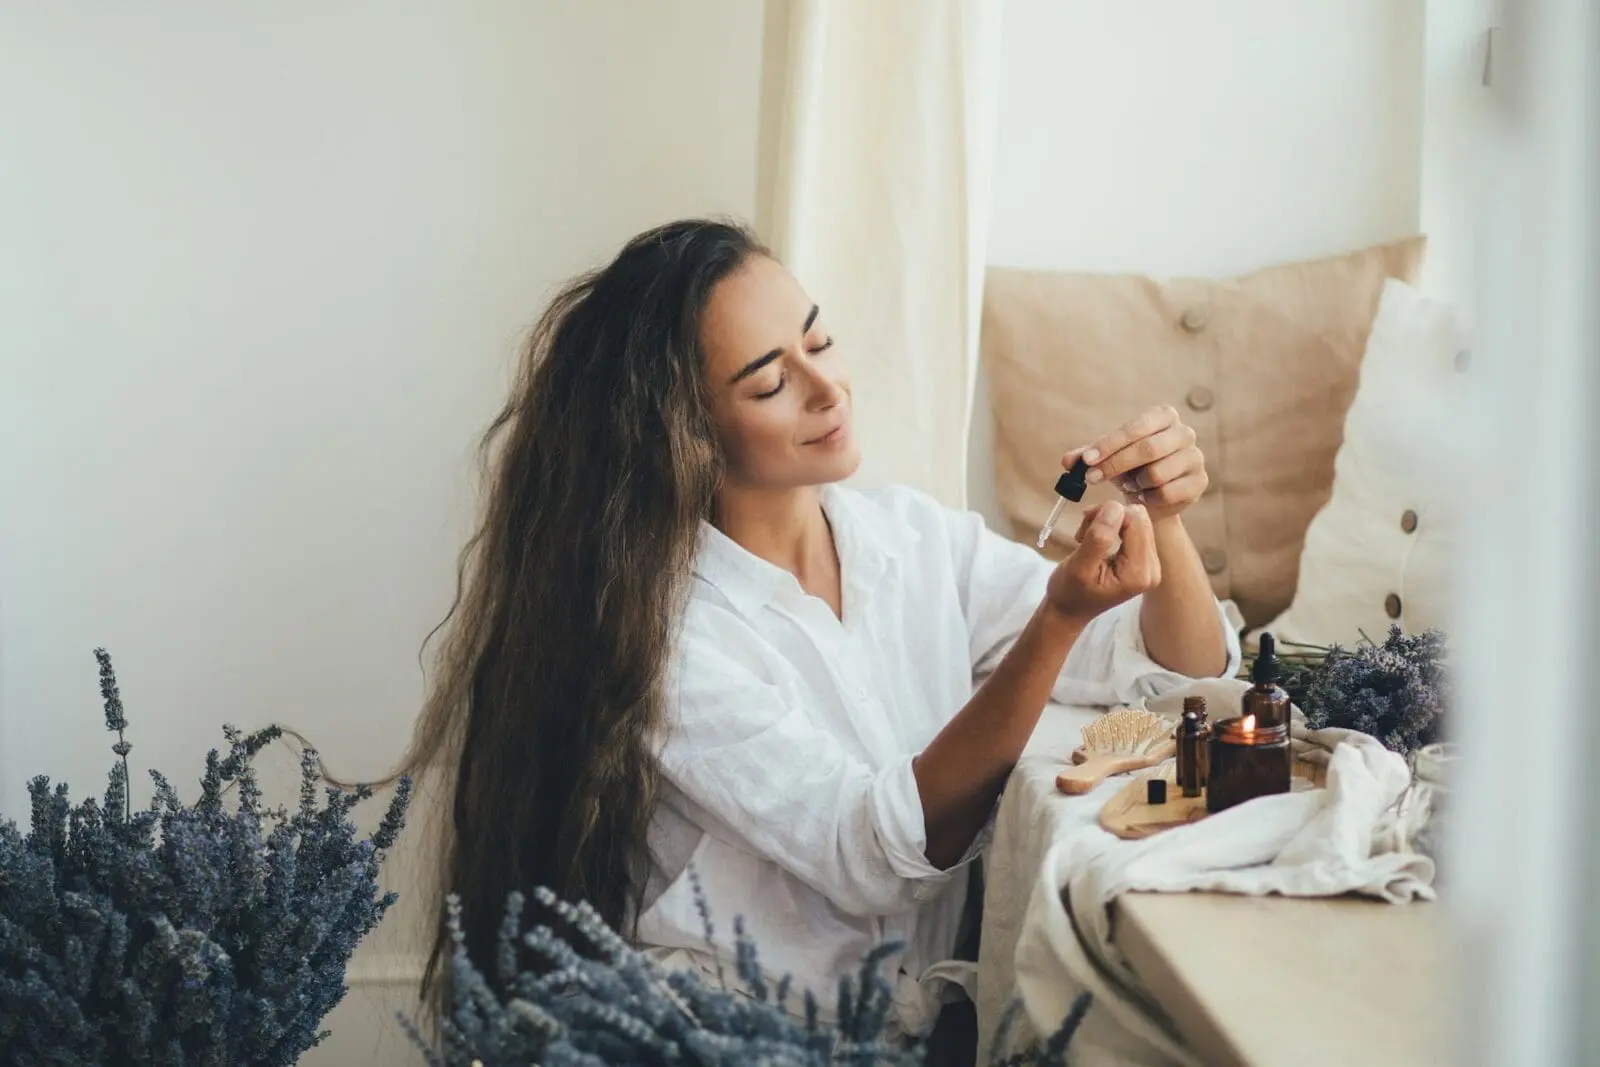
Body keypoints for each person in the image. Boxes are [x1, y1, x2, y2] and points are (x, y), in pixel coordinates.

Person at [394, 218, 1240, 1044]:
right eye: (770, 383)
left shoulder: (914, 539)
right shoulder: (666, 638)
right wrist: (1055, 621)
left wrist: (1162, 519)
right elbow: (880, 853)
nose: (827, 387)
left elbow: (1171, 670)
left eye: (820, 341)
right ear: (687, 435)